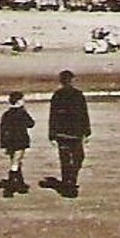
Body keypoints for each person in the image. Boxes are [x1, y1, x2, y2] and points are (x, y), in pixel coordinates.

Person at [39, 69, 91, 197]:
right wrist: (87, 131)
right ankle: (70, 182)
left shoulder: (57, 95)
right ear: (72, 80)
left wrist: (51, 134)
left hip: (62, 133)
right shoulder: (78, 95)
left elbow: (53, 116)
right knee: (77, 158)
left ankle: (68, 183)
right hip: (75, 132)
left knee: (65, 159)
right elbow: (84, 114)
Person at [0, 91, 35, 197]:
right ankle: (11, 187)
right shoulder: (21, 113)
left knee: (15, 161)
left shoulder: (7, 114)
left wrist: (3, 144)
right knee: (16, 163)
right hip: (20, 140)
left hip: (9, 141)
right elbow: (31, 124)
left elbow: (2, 129)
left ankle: (20, 183)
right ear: (18, 101)